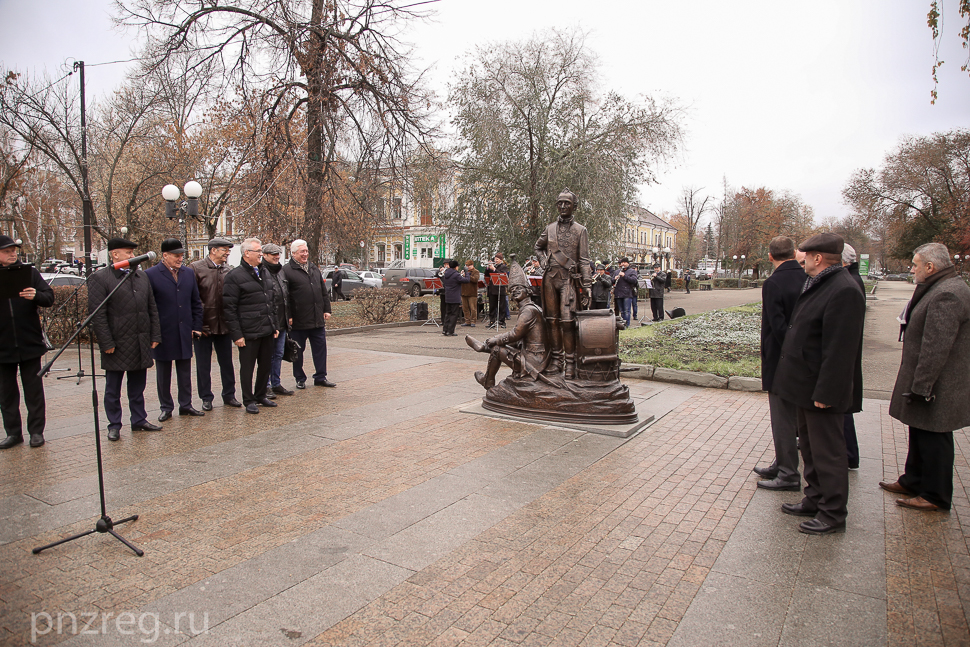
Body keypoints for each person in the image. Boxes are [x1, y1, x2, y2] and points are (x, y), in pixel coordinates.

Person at [772, 233, 866, 535]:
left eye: (805, 256)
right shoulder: (820, 283)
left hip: (820, 390)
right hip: (803, 385)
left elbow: (840, 350)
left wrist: (827, 392)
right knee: (811, 449)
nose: (801, 261)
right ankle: (814, 498)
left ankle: (833, 512)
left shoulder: (843, 290)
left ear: (818, 258)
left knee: (828, 452)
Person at [881, 242, 970, 512]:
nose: (912, 269)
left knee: (934, 437)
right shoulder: (940, 287)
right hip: (932, 379)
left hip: (939, 382)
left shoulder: (948, 294)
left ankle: (934, 494)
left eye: (915, 265)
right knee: (919, 430)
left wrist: (922, 385)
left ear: (930, 267)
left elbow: (936, 347)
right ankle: (913, 480)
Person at [88, 238, 163, 441]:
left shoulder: (140, 276)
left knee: (137, 387)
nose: (133, 256)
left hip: (140, 341)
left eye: (133, 253)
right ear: (115, 254)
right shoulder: (101, 278)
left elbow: (151, 308)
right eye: (128, 252)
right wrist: (106, 343)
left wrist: (155, 334)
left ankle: (139, 420)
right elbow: (98, 314)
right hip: (117, 343)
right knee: (113, 389)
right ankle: (114, 424)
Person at [753, 236, 807, 491]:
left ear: (770, 256)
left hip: (781, 360)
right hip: (804, 358)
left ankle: (787, 472)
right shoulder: (807, 277)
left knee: (783, 418)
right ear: (795, 253)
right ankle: (782, 463)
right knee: (796, 417)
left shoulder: (774, 282)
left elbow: (778, 326)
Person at [0, 235, 54, 449]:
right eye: (7, 251)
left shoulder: (29, 273)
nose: (13, 254)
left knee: (34, 390)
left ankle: (36, 432)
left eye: (14, 250)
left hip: (29, 342)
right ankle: (13, 433)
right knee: (6, 393)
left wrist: (36, 296)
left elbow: (48, 297)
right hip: (2, 346)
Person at [145, 238, 205, 422]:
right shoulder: (151, 274)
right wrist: (153, 333)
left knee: (185, 371)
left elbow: (196, 302)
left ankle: (186, 405)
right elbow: (149, 306)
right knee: (163, 373)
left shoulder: (188, 273)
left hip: (184, 330)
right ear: (165, 256)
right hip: (163, 332)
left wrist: (196, 326)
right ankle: (166, 407)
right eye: (177, 256)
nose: (180, 259)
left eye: (181, 255)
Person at [534, 188, 592, 378]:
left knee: (567, 322)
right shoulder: (550, 228)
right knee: (551, 321)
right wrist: (543, 261)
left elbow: (584, 260)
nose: (563, 206)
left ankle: (570, 362)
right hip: (550, 279)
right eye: (560, 203)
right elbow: (538, 247)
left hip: (568, 280)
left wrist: (587, 286)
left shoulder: (580, 230)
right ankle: (557, 360)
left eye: (567, 203)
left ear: (574, 206)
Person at [465, 264, 549, 389]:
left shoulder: (528, 311)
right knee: (500, 346)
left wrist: (496, 339)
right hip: (532, 354)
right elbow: (520, 337)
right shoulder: (532, 308)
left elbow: (516, 334)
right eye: (512, 289)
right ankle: (485, 350)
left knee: (497, 349)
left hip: (534, 361)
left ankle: (487, 379)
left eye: (519, 288)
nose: (514, 291)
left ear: (528, 291)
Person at [223, 238, 279, 414]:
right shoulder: (234, 276)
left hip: (267, 329)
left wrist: (275, 325)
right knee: (247, 367)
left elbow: (271, 300)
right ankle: (248, 399)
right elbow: (229, 308)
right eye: (258, 251)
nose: (261, 254)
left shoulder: (265, 272)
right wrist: (237, 335)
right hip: (248, 331)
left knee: (265, 366)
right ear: (247, 253)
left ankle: (261, 394)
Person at [190, 238, 242, 411]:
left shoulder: (229, 270)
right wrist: (198, 324)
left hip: (224, 325)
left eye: (228, 250)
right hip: (204, 326)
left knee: (227, 363)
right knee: (203, 365)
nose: (227, 253)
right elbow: (193, 299)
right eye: (224, 250)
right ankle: (206, 397)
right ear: (213, 250)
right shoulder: (196, 268)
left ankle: (229, 395)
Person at [283, 239, 336, 389]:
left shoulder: (313, 268)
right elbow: (285, 297)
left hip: (317, 318)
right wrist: (289, 316)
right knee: (298, 351)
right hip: (299, 320)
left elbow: (322, 291)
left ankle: (321, 376)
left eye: (306, 251)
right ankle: (299, 378)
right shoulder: (287, 270)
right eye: (302, 252)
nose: (305, 254)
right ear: (293, 253)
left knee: (320, 349)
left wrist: (326, 309)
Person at [841, 243, 865, 470]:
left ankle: (848, 453)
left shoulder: (848, 284)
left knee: (842, 408)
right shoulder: (852, 280)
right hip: (847, 358)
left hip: (842, 362)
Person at [261, 243, 293, 396]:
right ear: (264, 255)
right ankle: (265, 385)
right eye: (273, 254)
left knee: (279, 354)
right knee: (267, 355)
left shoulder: (280, 271)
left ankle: (276, 383)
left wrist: (289, 316)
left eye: (278, 253)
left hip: (282, 320)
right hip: (268, 321)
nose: (276, 256)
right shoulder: (262, 271)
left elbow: (286, 296)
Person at [440, 259, 469, 336]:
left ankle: (445, 330)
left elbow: (455, 280)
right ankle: (450, 331)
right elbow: (466, 280)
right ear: (456, 267)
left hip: (448, 296)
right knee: (454, 314)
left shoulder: (446, 273)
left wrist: (460, 275)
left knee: (448, 314)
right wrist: (467, 272)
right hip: (455, 297)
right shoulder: (456, 275)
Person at [484, 253, 508, 329]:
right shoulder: (493, 267)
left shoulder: (503, 267)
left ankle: (502, 321)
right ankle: (492, 321)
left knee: (502, 307)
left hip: (501, 289)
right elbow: (486, 275)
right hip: (492, 289)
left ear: (501, 260)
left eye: (497, 259)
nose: (495, 260)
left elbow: (501, 274)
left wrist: (494, 269)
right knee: (492, 306)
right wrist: (488, 268)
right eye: (495, 259)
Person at [612, 258, 638, 327]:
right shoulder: (617, 271)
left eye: (624, 262)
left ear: (628, 263)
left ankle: (627, 325)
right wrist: (614, 279)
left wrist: (624, 276)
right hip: (618, 293)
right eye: (622, 262)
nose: (623, 264)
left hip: (627, 293)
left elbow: (634, 280)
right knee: (621, 311)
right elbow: (611, 281)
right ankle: (622, 324)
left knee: (627, 311)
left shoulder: (632, 271)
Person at [460, 260, 480, 327]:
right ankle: (467, 321)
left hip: (472, 293)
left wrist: (467, 276)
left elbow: (475, 280)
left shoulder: (475, 272)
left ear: (472, 265)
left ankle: (473, 321)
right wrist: (461, 275)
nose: (467, 267)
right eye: (466, 266)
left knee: (473, 308)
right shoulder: (464, 272)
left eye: (469, 266)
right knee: (465, 308)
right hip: (464, 292)